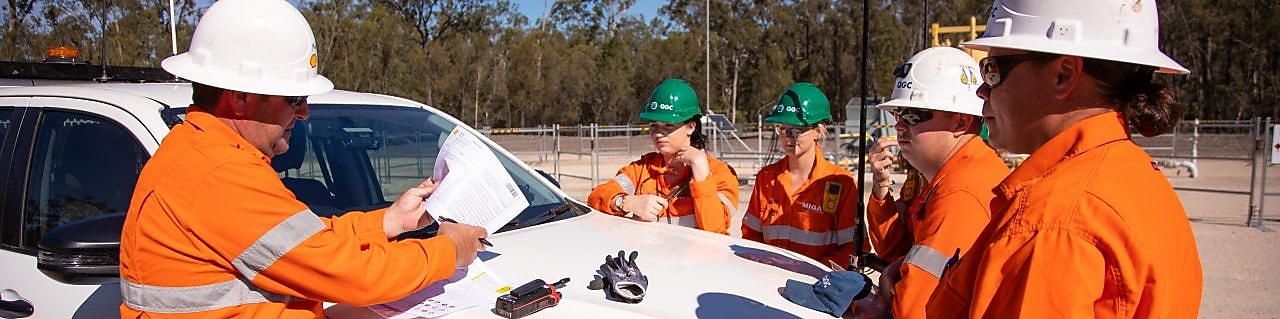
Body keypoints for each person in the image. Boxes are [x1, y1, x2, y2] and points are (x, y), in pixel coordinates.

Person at [118, 0, 488, 317]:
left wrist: (392, 221)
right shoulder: (216, 173)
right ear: (239, 97)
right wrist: (449, 250)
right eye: (294, 99)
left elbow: (306, 244)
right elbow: (353, 275)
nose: (305, 113)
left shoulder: (205, 154)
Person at [927, 0, 1203, 317]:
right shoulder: (1136, 177)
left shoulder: (1054, 222)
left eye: (992, 71)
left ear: (1064, 74)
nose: (981, 92)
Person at [862, 47, 1009, 319]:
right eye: (898, 114)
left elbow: (915, 309)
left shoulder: (959, 194)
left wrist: (886, 291)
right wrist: (882, 191)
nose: (900, 126)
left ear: (960, 123)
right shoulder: (944, 178)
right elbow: (894, 250)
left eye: (914, 115)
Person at [587, 78, 739, 234]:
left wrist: (700, 170)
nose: (659, 134)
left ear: (691, 126)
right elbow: (595, 198)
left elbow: (714, 229)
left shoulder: (721, 174)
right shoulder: (641, 169)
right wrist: (626, 202)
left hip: (696, 258)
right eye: (654, 126)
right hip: (650, 257)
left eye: (668, 125)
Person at [741, 82, 860, 266]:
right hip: (767, 282)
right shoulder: (766, 178)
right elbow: (751, 237)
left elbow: (852, 248)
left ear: (818, 131)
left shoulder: (840, 183)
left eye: (798, 130)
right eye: (782, 128)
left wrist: (810, 273)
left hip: (815, 288)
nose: (788, 136)